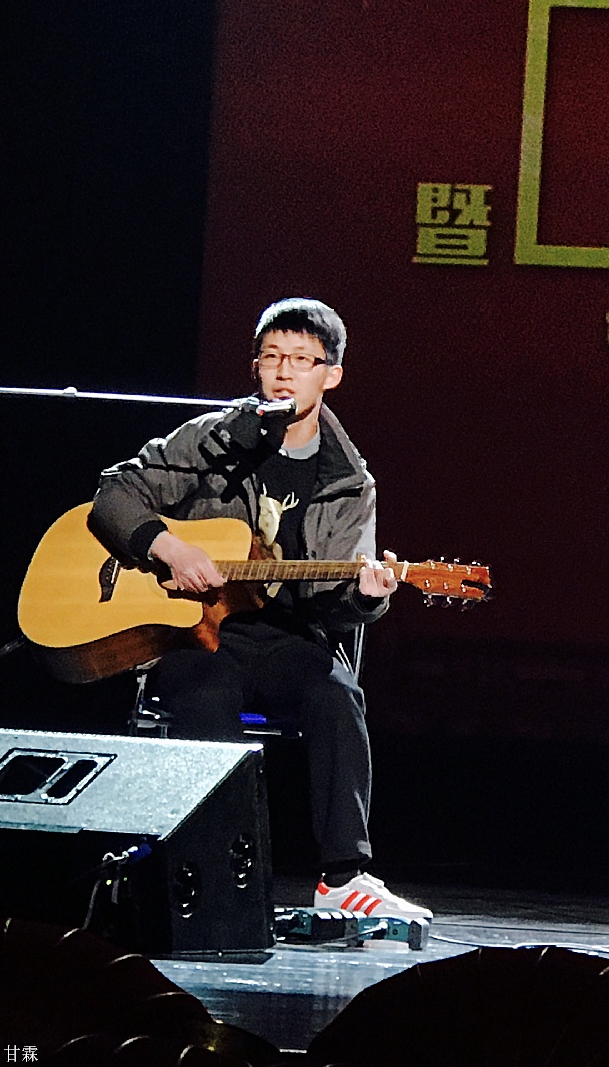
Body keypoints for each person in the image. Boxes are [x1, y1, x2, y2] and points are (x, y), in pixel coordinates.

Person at [89, 297, 431, 920]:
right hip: (195, 630)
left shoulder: (349, 481)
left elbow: (336, 604)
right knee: (204, 692)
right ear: (256, 368)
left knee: (337, 696)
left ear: (331, 376)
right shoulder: (212, 440)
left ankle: (344, 876)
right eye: (272, 357)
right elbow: (114, 496)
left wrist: (367, 595)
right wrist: (167, 547)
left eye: (301, 360)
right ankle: (215, 869)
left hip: (287, 638)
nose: (283, 371)